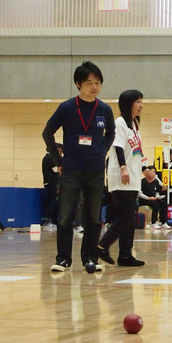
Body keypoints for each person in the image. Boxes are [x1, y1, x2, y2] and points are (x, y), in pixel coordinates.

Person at [42, 61, 115, 273]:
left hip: (95, 171)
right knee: (65, 216)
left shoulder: (105, 109)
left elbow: (110, 133)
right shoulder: (67, 108)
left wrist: (103, 151)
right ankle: (63, 259)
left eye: (98, 82)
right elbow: (47, 132)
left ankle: (90, 258)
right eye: (89, 82)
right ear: (78, 84)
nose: (94, 86)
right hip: (71, 170)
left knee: (93, 218)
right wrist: (59, 162)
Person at [96, 90, 145, 267]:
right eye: (138, 101)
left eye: (141, 101)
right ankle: (102, 246)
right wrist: (123, 167)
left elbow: (137, 151)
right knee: (125, 216)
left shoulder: (134, 125)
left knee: (129, 217)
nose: (141, 105)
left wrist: (145, 169)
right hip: (122, 176)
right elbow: (117, 147)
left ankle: (125, 255)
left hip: (133, 178)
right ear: (128, 103)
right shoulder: (120, 123)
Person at [42, 143, 63, 225]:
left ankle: (53, 220)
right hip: (51, 183)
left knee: (55, 202)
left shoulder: (50, 157)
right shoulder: (49, 157)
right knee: (51, 201)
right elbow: (56, 170)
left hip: (54, 183)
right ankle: (47, 220)